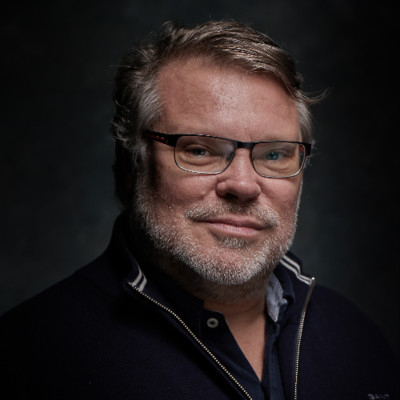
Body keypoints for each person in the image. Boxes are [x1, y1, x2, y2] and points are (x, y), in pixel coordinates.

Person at [0, 20, 398, 400]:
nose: (243, 185)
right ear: (131, 165)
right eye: (199, 150)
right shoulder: (30, 357)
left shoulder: (357, 339)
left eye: (275, 154)